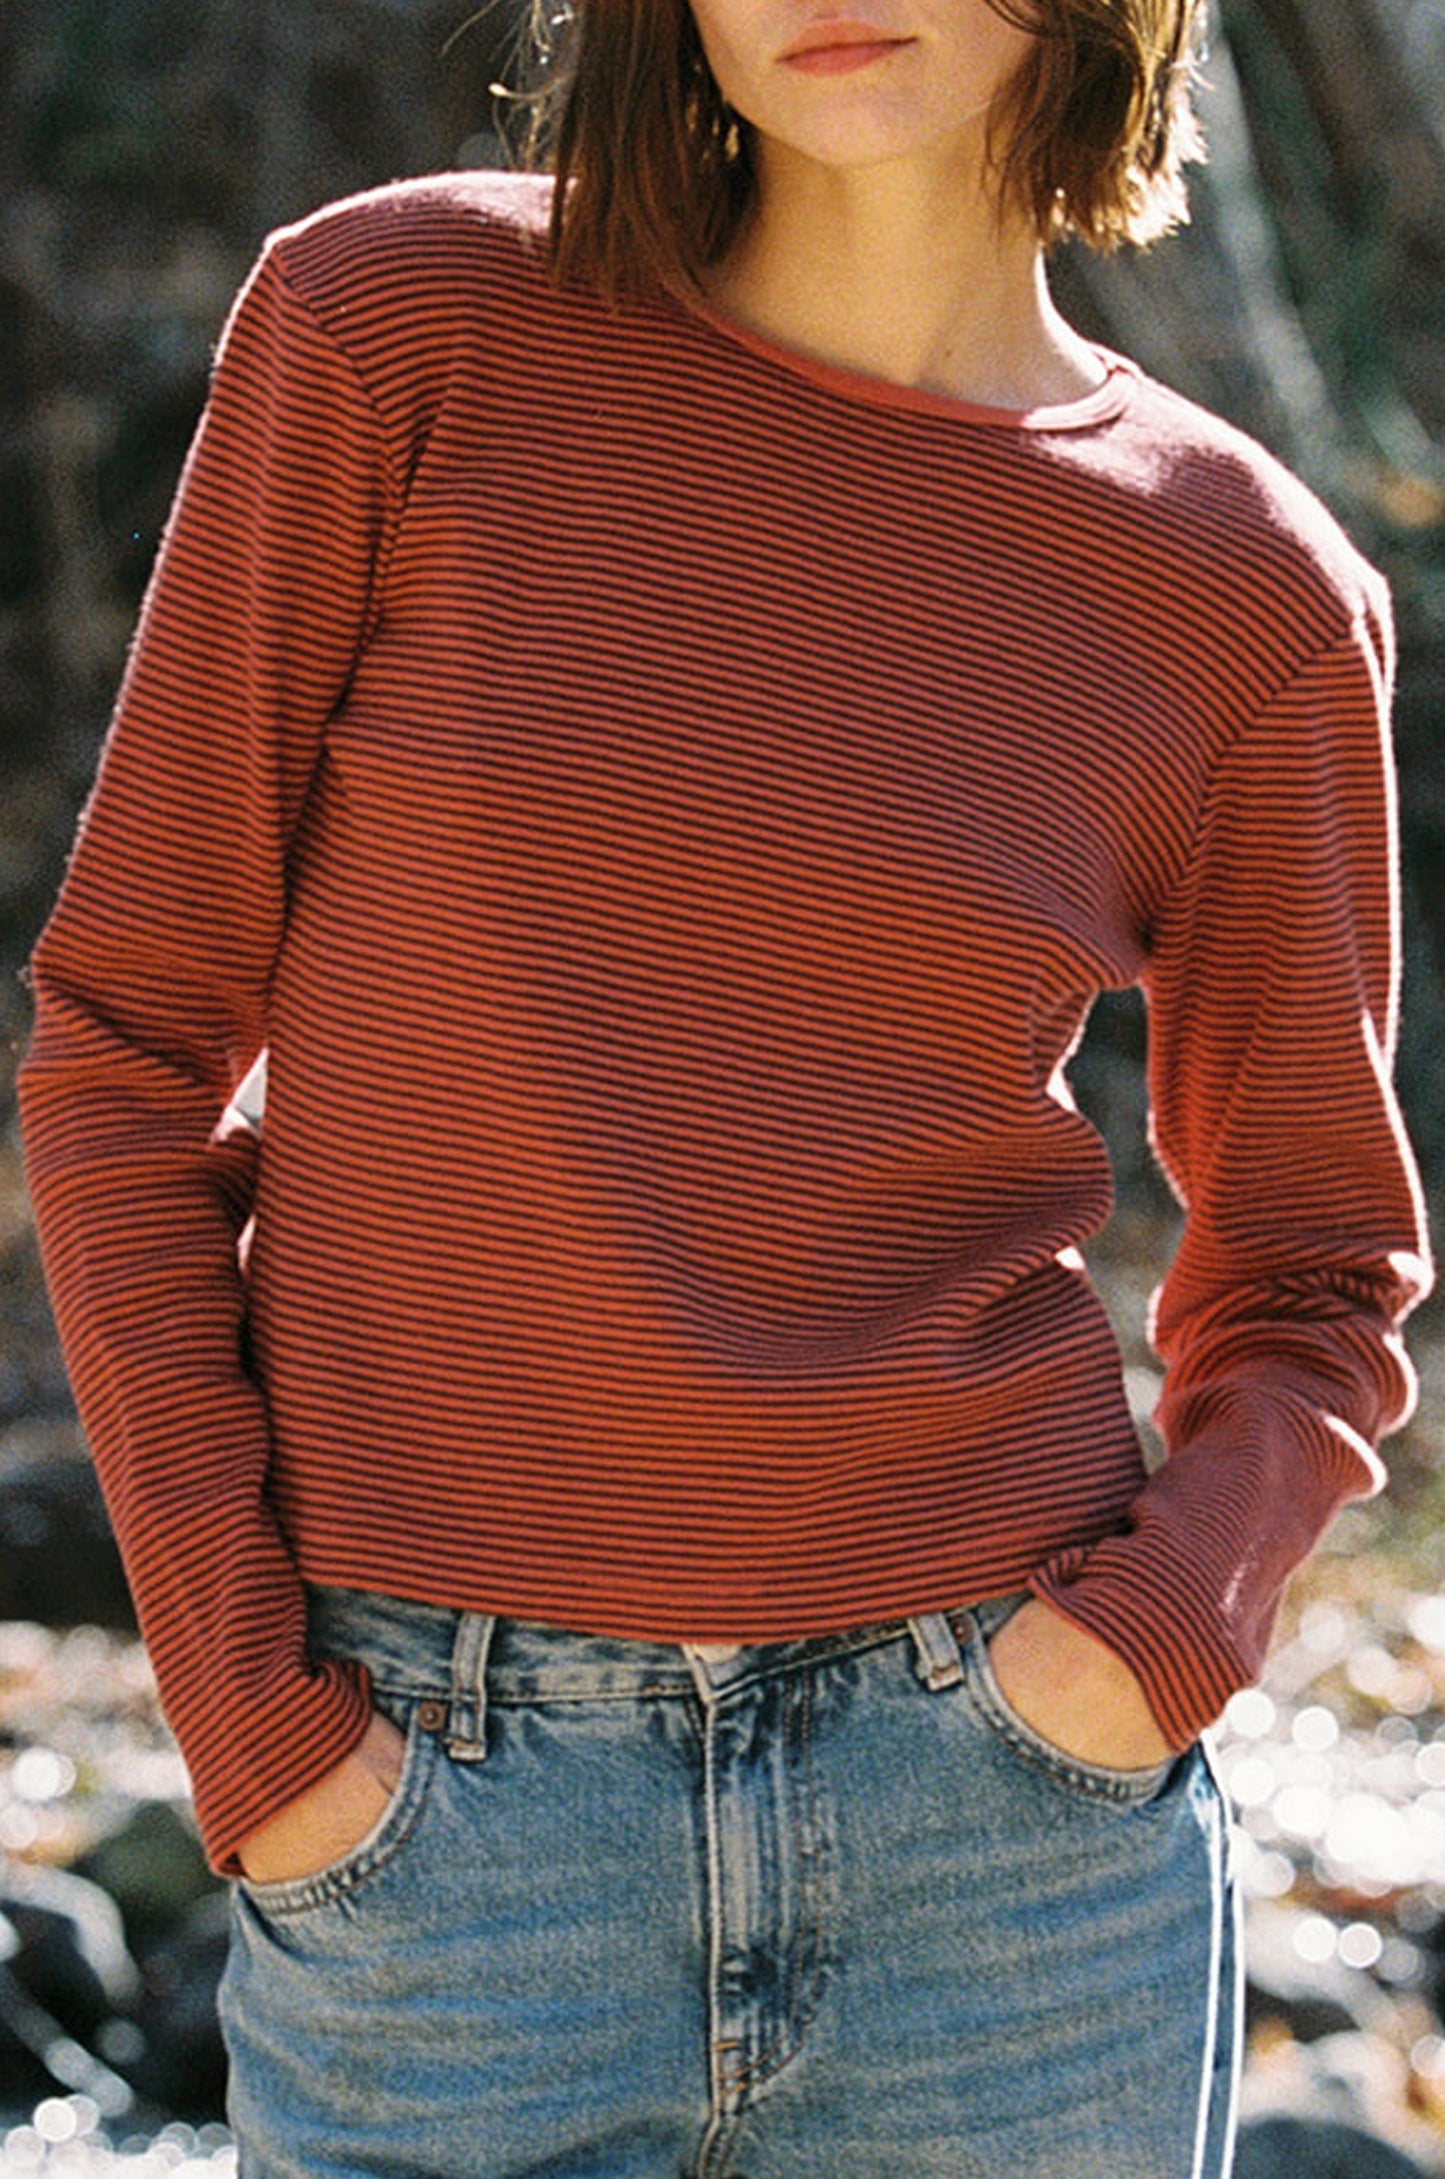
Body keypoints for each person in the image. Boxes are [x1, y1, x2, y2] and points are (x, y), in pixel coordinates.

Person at [17, 0, 1432, 2171]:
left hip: (1011, 1862)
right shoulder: (394, 333)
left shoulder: (1241, 590)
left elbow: (1319, 1261)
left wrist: (1147, 1644)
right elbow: (125, 1048)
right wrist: (250, 1709)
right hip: (432, 1815)